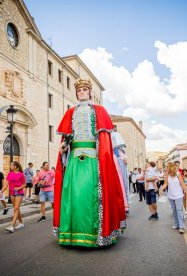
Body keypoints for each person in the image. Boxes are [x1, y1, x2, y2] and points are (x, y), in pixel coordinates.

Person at [53, 79, 126, 247]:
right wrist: (64, 146)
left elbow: (104, 140)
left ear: (90, 92)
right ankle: (73, 234)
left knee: (91, 196)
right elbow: (67, 137)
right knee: (74, 196)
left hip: (94, 161)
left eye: (85, 89)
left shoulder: (100, 111)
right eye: (79, 90)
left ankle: (97, 234)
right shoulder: (70, 112)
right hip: (75, 161)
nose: (81, 92)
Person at [160, 162, 187, 234]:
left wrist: (186, 193)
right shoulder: (167, 174)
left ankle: (181, 227)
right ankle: (177, 224)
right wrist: (161, 190)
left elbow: (182, 184)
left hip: (178, 195)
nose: (166, 168)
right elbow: (165, 183)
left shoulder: (178, 174)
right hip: (170, 196)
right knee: (174, 211)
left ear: (171, 167)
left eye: (167, 167)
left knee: (179, 210)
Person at [5, 161, 26, 233]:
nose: (10, 166)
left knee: (16, 208)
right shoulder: (9, 174)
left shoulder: (21, 174)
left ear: (15, 167)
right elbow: (6, 183)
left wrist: (19, 188)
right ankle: (21, 223)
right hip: (12, 193)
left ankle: (12, 226)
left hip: (19, 193)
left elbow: (24, 184)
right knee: (16, 208)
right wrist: (1, 191)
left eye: (11, 165)